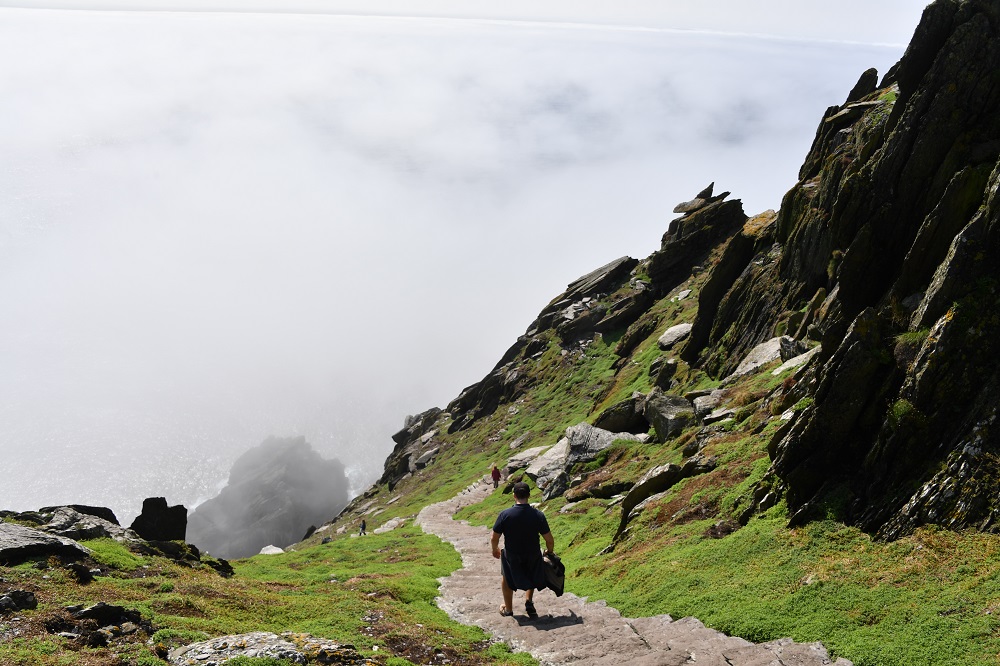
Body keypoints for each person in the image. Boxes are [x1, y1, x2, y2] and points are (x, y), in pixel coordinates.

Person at [490, 481, 555, 619]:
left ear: (514, 495)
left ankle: (508, 609)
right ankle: (529, 602)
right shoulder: (538, 515)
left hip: (512, 555)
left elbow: (494, 537)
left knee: (506, 577)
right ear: (529, 495)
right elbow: (549, 539)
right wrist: (549, 551)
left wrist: (495, 549)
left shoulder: (505, 514)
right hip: (533, 553)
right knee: (531, 572)